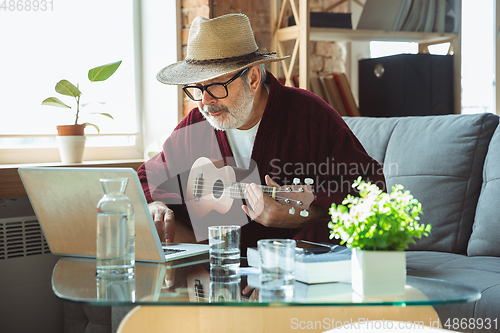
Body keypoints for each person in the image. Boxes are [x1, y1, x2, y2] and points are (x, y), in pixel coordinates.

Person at [138, 13, 385, 251]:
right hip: (217, 274)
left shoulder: (308, 115)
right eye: (196, 88)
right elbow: (149, 177)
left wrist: (302, 215)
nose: (205, 101)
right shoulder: (196, 126)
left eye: (215, 85)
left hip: (290, 271)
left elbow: (369, 188)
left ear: (254, 78)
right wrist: (156, 204)